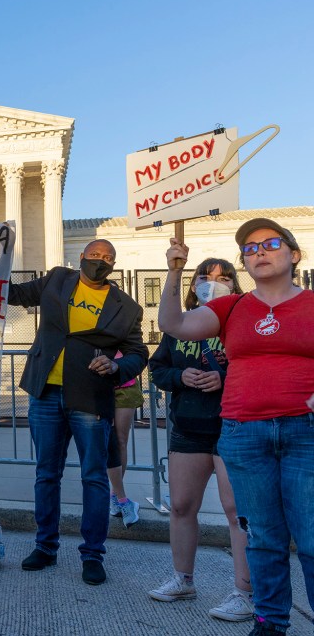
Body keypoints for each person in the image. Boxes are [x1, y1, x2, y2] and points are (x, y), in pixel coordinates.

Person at [159, 219, 313, 636]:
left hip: (305, 432)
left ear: (294, 255)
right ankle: (269, 621)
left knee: (311, 535)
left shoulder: (311, 304)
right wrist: (174, 271)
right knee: (261, 534)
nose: (258, 251)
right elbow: (174, 325)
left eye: (270, 243)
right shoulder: (232, 309)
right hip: (244, 432)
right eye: (249, 248)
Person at [9, 239, 149, 586]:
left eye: (108, 258)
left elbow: (137, 352)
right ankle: (45, 546)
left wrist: (117, 368)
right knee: (46, 474)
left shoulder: (127, 307)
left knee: (94, 479)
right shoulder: (57, 279)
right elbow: (15, 295)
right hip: (46, 393)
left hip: (90, 397)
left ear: (113, 265)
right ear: (82, 257)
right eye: (95, 255)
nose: (100, 261)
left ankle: (92, 554)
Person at [147, 257, 253, 622]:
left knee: (237, 513)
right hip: (188, 427)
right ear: (192, 284)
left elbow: (258, 366)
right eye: (205, 277)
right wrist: (181, 377)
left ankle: (244, 593)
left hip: (232, 426)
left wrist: (225, 377)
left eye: (223, 278)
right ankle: (183, 579)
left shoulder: (243, 319)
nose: (213, 283)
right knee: (180, 506)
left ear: (235, 284)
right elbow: (158, 368)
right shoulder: (179, 324)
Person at [107, 362, 143, 527]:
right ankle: (121, 499)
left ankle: (117, 497)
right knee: (109, 443)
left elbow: (136, 351)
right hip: (99, 387)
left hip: (125, 386)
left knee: (120, 442)